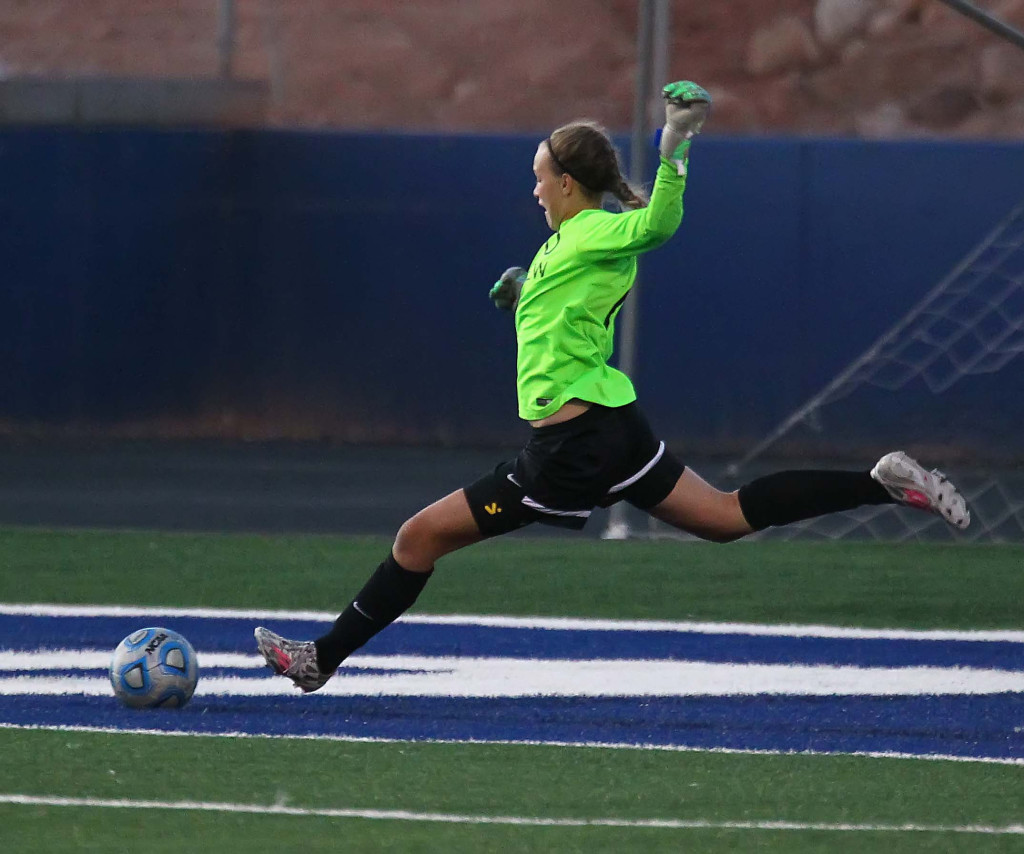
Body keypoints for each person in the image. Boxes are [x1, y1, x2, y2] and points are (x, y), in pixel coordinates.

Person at [254, 81, 970, 692]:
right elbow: (563, 293)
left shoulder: (594, 228)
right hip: (612, 425)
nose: (533, 188)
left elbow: (658, 225)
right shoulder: (565, 242)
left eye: (540, 176)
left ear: (567, 182)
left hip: (571, 447)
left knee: (419, 537)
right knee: (723, 518)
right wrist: (519, 289)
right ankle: (881, 483)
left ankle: (321, 659)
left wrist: (677, 145)